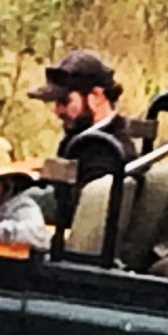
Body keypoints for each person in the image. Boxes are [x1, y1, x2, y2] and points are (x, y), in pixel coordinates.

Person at [27, 49, 136, 224]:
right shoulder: (86, 138)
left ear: (96, 97)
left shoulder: (105, 152)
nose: (57, 111)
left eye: (65, 101)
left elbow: (73, 212)